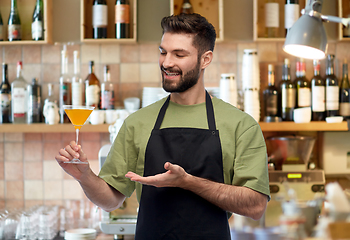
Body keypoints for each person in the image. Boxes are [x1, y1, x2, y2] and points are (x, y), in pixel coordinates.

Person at [56, 13, 270, 240]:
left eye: (179, 54)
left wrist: (188, 182)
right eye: (163, 52)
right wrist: (85, 176)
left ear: (205, 59)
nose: (167, 62)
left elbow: (255, 206)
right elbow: (111, 200)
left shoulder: (240, 125)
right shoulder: (137, 123)